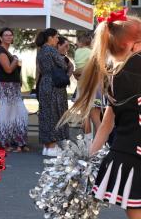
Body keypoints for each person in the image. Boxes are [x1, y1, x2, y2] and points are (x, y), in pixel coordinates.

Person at [60, 11, 141, 219]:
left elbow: (106, 125)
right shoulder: (133, 69)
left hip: (124, 156)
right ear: (135, 45)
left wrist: (86, 159)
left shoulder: (112, 76)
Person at [0, 28, 29, 153]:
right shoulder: (0, 51)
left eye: (11, 35)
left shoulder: (8, 52)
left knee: (19, 114)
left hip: (14, 87)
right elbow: (8, 69)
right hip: (6, 87)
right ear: (1, 38)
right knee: (7, 115)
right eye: (6, 35)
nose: (9, 37)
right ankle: (5, 143)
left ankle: (18, 142)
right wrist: (16, 60)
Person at [35, 28, 69, 157]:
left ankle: (47, 146)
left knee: (46, 114)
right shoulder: (51, 50)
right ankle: (52, 146)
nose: (57, 39)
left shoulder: (41, 50)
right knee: (54, 113)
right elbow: (63, 65)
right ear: (50, 38)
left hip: (44, 83)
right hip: (54, 84)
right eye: (56, 37)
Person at [73, 34, 102, 140]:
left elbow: (77, 69)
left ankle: (88, 144)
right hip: (93, 86)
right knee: (96, 118)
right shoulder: (92, 53)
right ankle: (101, 144)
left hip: (81, 85)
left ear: (80, 42)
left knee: (85, 117)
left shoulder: (76, 52)